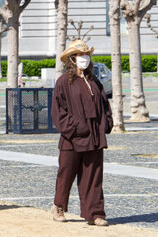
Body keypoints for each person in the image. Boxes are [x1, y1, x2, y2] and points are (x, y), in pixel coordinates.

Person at [51, 39, 113, 226]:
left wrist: (105, 125)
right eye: (80, 54)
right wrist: (74, 128)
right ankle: (58, 206)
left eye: (86, 54)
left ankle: (94, 213)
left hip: (94, 138)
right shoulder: (63, 82)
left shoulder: (94, 82)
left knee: (93, 177)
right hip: (72, 138)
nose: (84, 58)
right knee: (66, 173)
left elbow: (105, 106)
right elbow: (58, 111)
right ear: (71, 58)